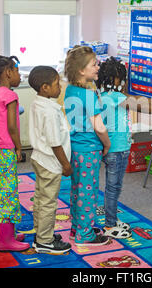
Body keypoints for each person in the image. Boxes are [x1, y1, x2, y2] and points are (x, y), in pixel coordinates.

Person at [96, 57, 152, 239]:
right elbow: (144, 105)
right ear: (117, 80)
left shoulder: (101, 95)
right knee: (113, 187)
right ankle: (110, 224)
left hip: (113, 149)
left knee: (113, 186)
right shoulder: (116, 97)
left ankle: (111, 218)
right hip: (117, 150)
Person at [63, 46, 110, 247]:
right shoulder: (88, 95)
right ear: (81, 70)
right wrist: (107, 144)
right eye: (94, 64)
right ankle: (85, 233)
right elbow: (99, 126)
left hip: (75, 147)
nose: (98, 67)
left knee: (77, 189)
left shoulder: (71, 90)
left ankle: (77, 226)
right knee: (88, 192)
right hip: (89, 148)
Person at [0, 55, 29, 252]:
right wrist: (18, 147)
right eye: (17, 71)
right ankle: (5, 240)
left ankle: (4, 234)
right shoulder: (11, 96)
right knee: (8, 194)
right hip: (4, 151)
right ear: (9, 72)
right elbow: (12, 126)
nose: (19, 76)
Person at [28, 65, 72, 254]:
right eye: (56, 83)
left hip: (39, 158)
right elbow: (55, 142)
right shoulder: (50, 111)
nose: (60, 86)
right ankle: (44, 241)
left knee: (40, 198)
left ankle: (41, 232)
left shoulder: (38, 103)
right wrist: (66, 164)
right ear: (45, 87)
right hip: (50, 162)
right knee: (48, 202)